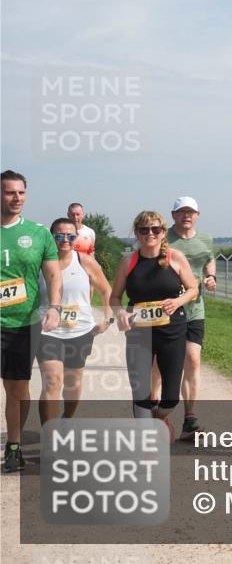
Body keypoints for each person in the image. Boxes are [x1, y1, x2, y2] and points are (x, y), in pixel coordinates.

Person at [110, 210, 198, 439]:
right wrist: (120, 314)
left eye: (155, 229)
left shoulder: (175, 257)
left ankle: (159, 417)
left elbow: (193, 289)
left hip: (172, 330)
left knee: (171, 396)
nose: (150, 233)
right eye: (144, 229)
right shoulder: (128, 261)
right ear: (137, 233)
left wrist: (178, 300)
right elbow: (115, 297)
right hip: (139, 332)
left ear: (162, 232)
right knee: (140, 389)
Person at [1, 170, 61, 473]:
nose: (16, 198)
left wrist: (55, 307)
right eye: (10, 192)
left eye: (21, 192)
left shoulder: (39, 233)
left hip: (22, 323)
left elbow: (53, 273)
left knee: (17, 389)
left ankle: (13, 446)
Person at [36, 218, 115, 423]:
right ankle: (50, 437)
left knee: (72, 385)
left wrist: (108, 318)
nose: (65, 240)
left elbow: (107, 290)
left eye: (70, 236)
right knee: (52, 381)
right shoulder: (38, 263)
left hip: (80, 331)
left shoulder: (84, 261)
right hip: (47, 331)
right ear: (51, 237)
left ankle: (67, 419)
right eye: (59, 236)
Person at [150, 196, 215, 441]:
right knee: (158, 364)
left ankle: (190, 418)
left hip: (194, 310)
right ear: (173, 215)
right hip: (165, 311)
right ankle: (156, 411)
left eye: (191, 212)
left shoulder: (206, 239)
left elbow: (209, 261)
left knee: (193, 360)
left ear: (197, 215)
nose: (186, 216)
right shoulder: (163, 239)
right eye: (181, 212)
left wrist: (211, 278)